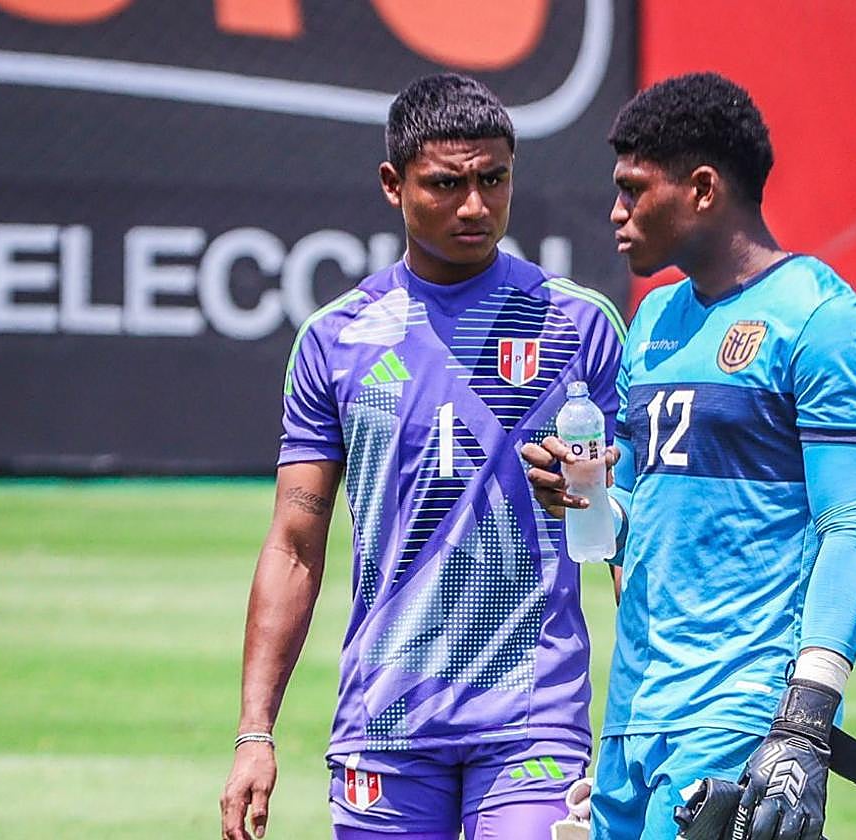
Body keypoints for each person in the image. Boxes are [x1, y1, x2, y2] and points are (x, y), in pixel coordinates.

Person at [219, 72, 625, 840]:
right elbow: (295, 545)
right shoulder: (336, 339)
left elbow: (630, 538)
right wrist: (254, 734)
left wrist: (643, 718)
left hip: (533, 719)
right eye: (446, 184)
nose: (475, 205)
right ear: (392, 184)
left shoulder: (580, 325)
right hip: (384, 721)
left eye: (493, 179)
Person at [523, 72, 856, 840]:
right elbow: (632, 514)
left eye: (634, 190)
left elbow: (853, 531)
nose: (616, 212)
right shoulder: (654, 319)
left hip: (740, 716)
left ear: (702, 189)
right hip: (634, 715)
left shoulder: (829, 326)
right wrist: (582, 495)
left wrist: (803, 723)